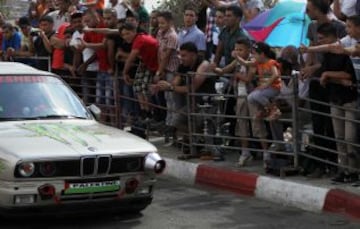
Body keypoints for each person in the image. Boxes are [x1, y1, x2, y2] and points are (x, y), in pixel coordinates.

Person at [156, 42, 217, 160]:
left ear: (193, 55)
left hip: (207, 103)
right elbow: (175, 83)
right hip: (193, 104)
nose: (180, 58)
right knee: (176, 121)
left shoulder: (203, 64)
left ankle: (202, 144)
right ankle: (197, 141)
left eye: (184, 55)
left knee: (199, 121)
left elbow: (192, 88)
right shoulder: (183, 65)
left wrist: (171, 87)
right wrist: (165, 85)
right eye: (180, 55)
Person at [213, 38, 253, 166]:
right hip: (239, 96)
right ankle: (245, 152)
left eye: (240, 50)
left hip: (250, 95)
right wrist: (215, 68)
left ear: (248, 50)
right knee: (242, 125)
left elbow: (248, 71)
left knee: (255, 126)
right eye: (236, 49)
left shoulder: (251, 60)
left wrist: (237, 63)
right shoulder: (236, 62)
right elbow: (224, 70)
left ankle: (258, 153)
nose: (237, 52)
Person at [120, 22, 159, 120]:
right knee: (137, 87)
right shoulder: (140, 38)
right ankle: (144, 111)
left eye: (127, 33)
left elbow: (131, 58)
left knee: (144, 88)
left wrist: (124, 72)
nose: (125, 37)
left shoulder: (139, 40)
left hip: (154, 66)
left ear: (134, 31)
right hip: (147, 64)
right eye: (123, 35)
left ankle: (149, 112)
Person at [155, 11, 180, 145]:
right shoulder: (159, 33)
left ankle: (173, 132)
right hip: (164, 70)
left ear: (170, 22)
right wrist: (160, 70)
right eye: (159, 23)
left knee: (173, 102)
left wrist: (160, 72)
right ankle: (168, 131)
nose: (160, 25)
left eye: (163, 23)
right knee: (167, 101)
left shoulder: (172, 36)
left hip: (172, 71)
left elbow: (167, 56)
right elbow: (159, 53)